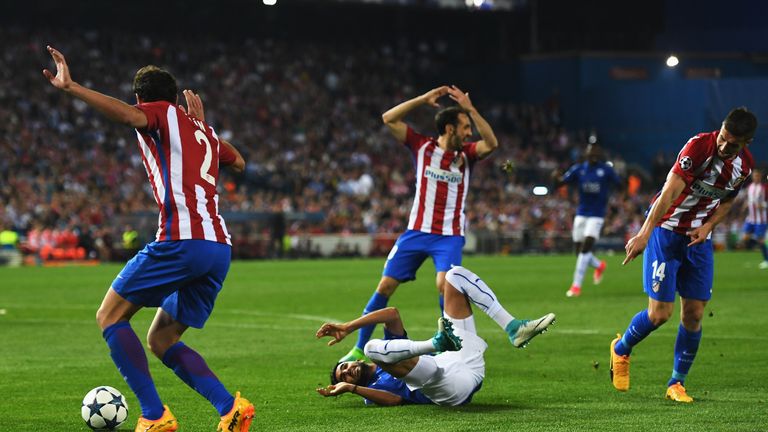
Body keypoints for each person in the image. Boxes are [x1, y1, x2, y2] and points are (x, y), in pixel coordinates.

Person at [43, 46, 254, 431]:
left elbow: (129, 116)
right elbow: (238, 161)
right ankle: (230, 408)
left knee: (109, 316)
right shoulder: (201, 130)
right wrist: (203, 127)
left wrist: (72, 88)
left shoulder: (159, 113)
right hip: (218, 248)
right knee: (162, 339)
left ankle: (155, 416)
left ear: (143, 98)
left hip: (181, 241)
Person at [339, 85, 499, 362]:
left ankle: (452, 345)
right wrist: (423, 100)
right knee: (385, 286)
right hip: (416, 232)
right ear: (449, 128)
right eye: (464, 127)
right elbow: (389, 118)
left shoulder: (467, 155)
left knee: (444, 284)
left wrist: (471, 110)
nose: (468, 132)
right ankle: (358, 347)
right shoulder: (422, 146)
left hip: (448, 235)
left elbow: (492, 144)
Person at [613, 107, 757, 403]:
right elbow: (667, 194)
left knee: (694, 314)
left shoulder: (745, 167)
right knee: (659, 315)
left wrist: (708, 226)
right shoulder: (698, 148)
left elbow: (728, 201)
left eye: (733, 144)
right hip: (666, 232)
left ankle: (676, 383)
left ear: (747, 142)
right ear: (720, 128)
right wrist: (644, 233)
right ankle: (621, 349)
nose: (724, 146)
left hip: (697, 240)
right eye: (723, 138)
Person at [316, 265, 555, 406]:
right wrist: (351, 389)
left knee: (454, 276)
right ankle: (435, 343)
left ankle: (513, 327)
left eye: (344, 366)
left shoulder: (389, 349)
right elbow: (395, 400)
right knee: (372, 349)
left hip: (460, 359)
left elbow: (392, 313)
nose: (348, 372)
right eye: (345, 376)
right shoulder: (371, 391)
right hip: (447, 387)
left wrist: (348, 326)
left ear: (353, 361)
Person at [552, 143, 622, 297]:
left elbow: (620, 184)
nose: (594, 154)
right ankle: (599, 265)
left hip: (597, 214)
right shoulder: (579, 169)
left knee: (586, 248)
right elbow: (561, 183)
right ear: (586, 154)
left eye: (597, 151)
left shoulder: (606, 170)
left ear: (600, 153)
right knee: (579, 252)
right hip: (581, 213)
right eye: (591, 151)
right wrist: (555, 178)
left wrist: (619, 198)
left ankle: (576, 286)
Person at [739, 168, 768, 268]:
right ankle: (754, 248)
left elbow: (764, 203)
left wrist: (763, 205)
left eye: (758, 176)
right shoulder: (750, 187)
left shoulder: (764, 188)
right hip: (750, 219)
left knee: (760, 240)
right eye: (754, 176)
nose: (756, 177)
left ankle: (766, 260)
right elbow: (750, 200)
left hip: (761, 220)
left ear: (760, 177)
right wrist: (745, 205)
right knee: (745, 238)